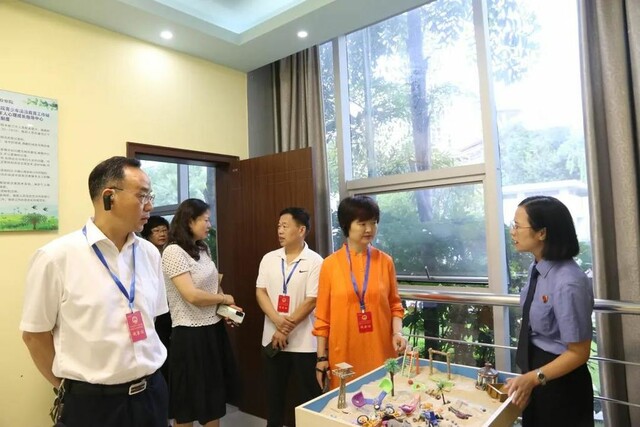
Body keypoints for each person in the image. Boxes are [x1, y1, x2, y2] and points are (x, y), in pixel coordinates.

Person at [20, 156, 169, 427]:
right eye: (142, 195)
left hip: (152, 395)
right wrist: (69, 389)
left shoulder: (149, 253)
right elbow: (34, 336)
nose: (150, 205)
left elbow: (152, 320)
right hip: (92, 406)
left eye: (150, 196)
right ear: (109, 197)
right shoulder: (56, 257)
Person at [504, 196, 594, 426]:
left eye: (518, 226)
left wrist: (534, 377)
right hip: (536, 373)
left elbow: (579, 352)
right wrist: (530, 377)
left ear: (541, 233)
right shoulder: (537, 267)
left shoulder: (568, 282)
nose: (512, 231)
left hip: (560, 383)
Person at [313, 195, 406, 390]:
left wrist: (397, 332)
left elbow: (395, 305)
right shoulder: (330, 265)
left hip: (381, 350)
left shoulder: (386, 262)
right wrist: (322, 358)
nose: (369, 229)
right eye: (362, 223)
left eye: (373, 222)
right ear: (346, 225)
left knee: (384, 401)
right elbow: (322, 318)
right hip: (344, 354)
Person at [161, 198, 240, 427]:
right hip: (189, 336)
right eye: (205, 220)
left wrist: (227, 310)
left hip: (213, 331)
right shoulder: (173, 252)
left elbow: (213, 287)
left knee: (213, 400)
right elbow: (192, 295)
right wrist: (224, 298)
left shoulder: (202, 248)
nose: (209, 225)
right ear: (189, 221)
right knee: (186, 404)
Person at [256, 207, 324, 427]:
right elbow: (260, 292)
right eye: (278, 226)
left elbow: (312, 300)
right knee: (273, 398)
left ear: (301, 230)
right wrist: (278, 322)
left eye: (285, 226)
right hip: (272, 340)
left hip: (305, 343)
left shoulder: (315, 261)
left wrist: (284, 329)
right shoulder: (269, 258)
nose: (280, 231)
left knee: (309, 398)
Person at [141, 216, 172, 391]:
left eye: (164, 230)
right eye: (157, 230)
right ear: (148, 233)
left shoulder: (171, 252)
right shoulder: (144, 253)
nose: (162, 234)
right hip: (152, 311)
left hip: (170, 307)